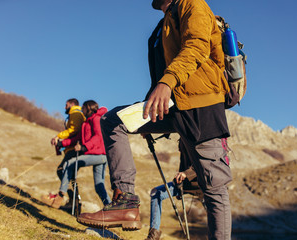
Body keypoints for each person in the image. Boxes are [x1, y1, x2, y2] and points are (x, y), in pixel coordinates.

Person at [77, 0, 232, 239]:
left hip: (202, 104)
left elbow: (197, 47)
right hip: (172, 105)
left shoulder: (193, 4)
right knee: (113, 120)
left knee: (213, 188)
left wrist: (167, 82)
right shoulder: (161, 27)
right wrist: (151, 109)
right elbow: (159, 76)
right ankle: (126, 202)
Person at [41, 100, 111, 208]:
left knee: (70, 163)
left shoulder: (96, 119)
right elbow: (77, 138)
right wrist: (62, 143)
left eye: (83, 108)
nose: (82, 111)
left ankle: (60, 196)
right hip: (97, 155)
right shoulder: (86, 122)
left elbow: (98, 137)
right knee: (99, 186)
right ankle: (110, 208)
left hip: (100, 155)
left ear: (88, 108)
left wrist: (84, 147)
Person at [146, 140, 203, 240]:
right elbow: (183, 161)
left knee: (215, 211)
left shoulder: (197, 133)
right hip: (185, 182)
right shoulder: (182, 136)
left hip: (203, 184)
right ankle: (153, 236)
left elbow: (203, 163)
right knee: (156, 193)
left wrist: (187, 173)